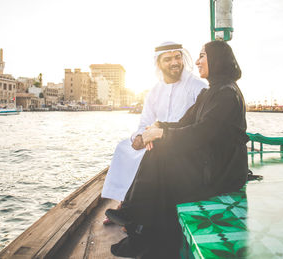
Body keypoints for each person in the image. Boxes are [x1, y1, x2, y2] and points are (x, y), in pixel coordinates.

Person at [106, 41, 249, 258]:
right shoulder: (211, 92)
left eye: (203, 56)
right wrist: (159, 127)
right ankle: (139, 225)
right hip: (208, 161)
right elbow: (185, 122)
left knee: (161, 155)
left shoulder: (226, 94)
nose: (198, 61)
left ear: (217, 60)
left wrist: (162, 135)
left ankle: (136, 218)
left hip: (221, 172)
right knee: (158, 153)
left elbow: (201, 132)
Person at [101, 42, 207, 223]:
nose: (175, 62)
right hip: (154, 138)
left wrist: (159, 134)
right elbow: (144, 122)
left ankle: (133, 211)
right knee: (125, 148)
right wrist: (140, 137)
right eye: (168, 59)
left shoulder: (197, 86)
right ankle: (126, 202)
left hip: (179, 141)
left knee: (153, 153)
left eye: (177, 57)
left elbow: (199, 125)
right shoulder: (154, 92)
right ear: (158, 64)